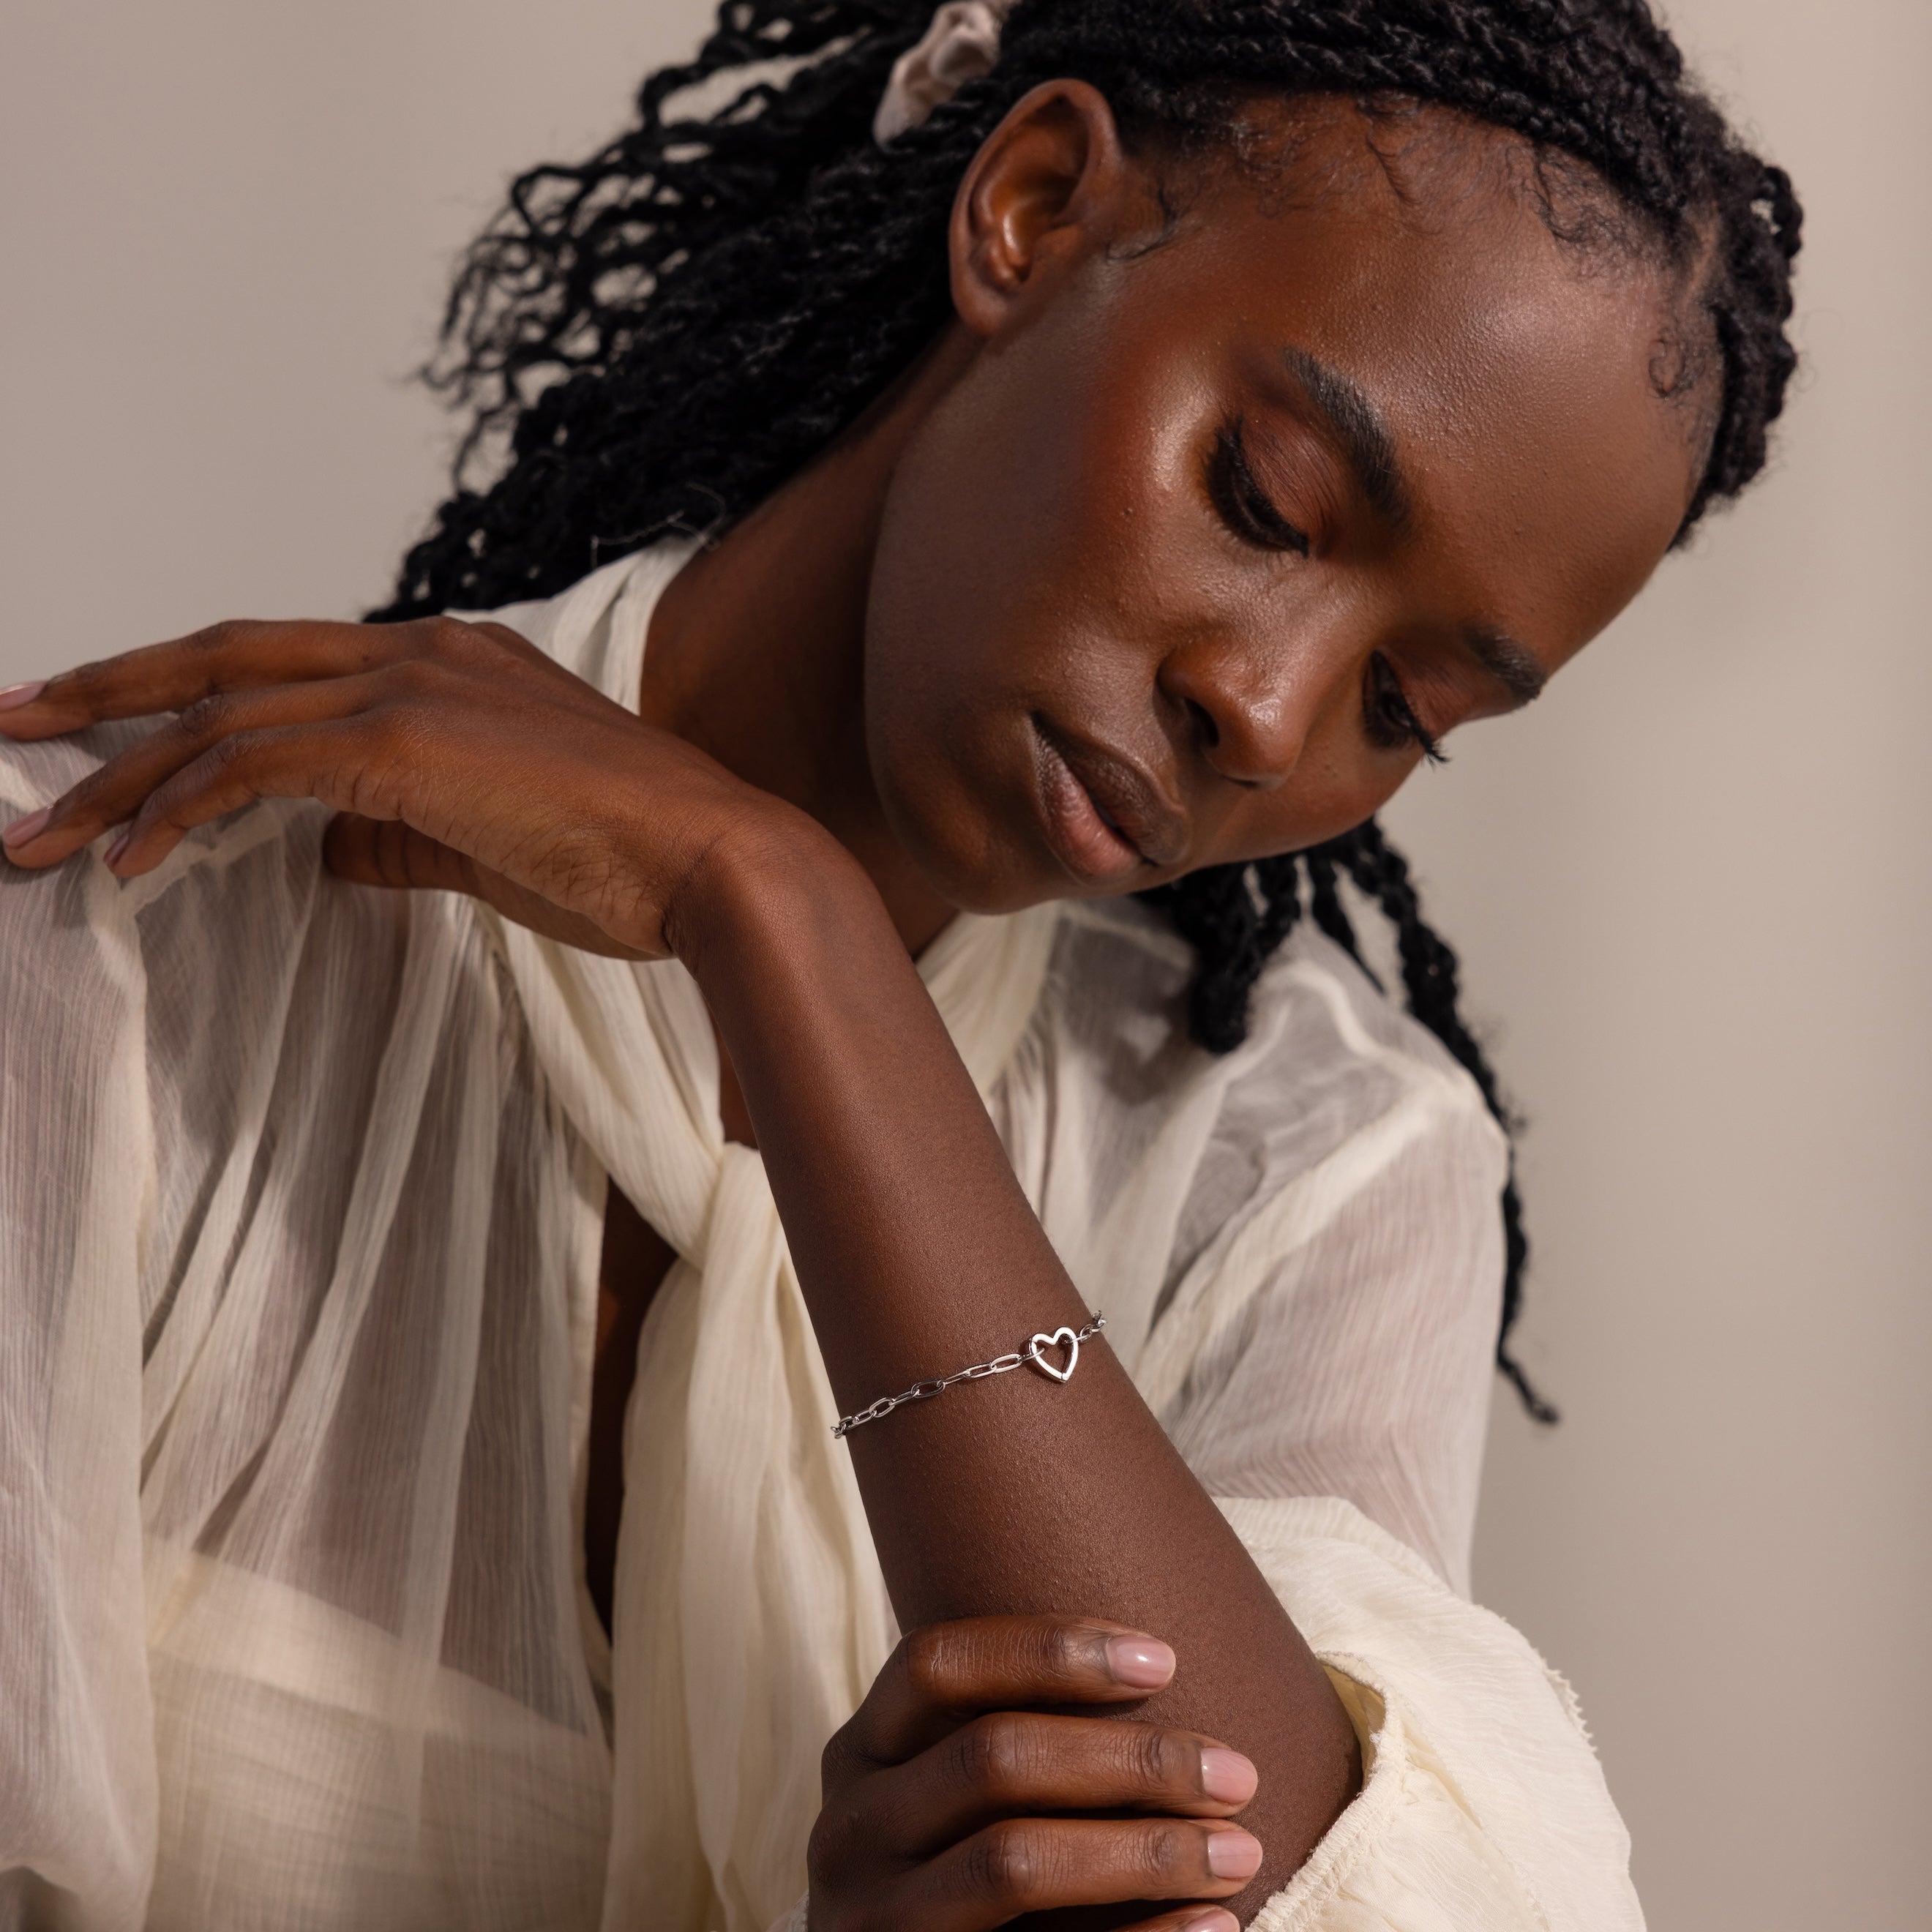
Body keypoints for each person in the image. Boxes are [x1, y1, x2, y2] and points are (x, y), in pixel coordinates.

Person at [0, 1, 1799, 1927]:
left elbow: (1285, 1895)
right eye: (1266, 500)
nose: (1268, 716)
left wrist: (777, 927)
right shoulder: (111, 930)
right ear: (1030, 211)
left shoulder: (1311, 1171)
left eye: (1405, 705)